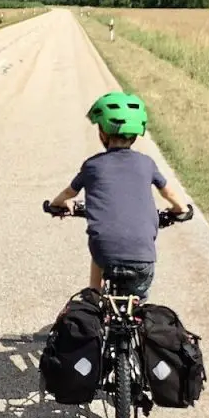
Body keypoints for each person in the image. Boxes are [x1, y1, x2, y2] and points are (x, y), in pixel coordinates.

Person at [48, 91, 186, 298]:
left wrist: (56, 204)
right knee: (138, 302)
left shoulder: (92, 165)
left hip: (105, 254)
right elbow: (168, 192)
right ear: (136, 133)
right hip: (143, 259)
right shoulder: (146, 163)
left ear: (102, 133)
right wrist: (181, 209)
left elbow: (69, 192)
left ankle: (93, 298)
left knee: (101, 245)